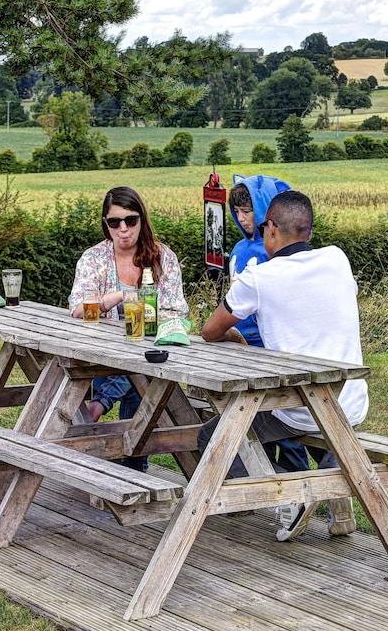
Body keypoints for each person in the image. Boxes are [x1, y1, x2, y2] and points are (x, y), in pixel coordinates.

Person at [200, 190, 366, 541]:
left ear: (271, 228)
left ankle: (290, 495)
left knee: (210, 436)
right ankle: (335, 499)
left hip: (299, 409)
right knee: (333, 431)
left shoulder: (259, 278)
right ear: (308, 230)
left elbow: (210, 330)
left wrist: (231, 335)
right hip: (351, 402)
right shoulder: (338, 259)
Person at [68, 186, 188, 471]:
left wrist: (148, 312)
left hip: (151, 349)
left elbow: (176, 311)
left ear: (142, 220)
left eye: (131, 220)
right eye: (114, 222)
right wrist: (119, 297)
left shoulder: (162, 257)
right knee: (137, 375)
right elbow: (78, 311)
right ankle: (133, 464)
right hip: (101, 355)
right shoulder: (94, 258)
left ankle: (100, 407)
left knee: (141, 368)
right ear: (106, 225)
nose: (123, 229)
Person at [228, 175, 313, 474]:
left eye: (247, 211)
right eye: (236, 212)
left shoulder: (280, 254)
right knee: (253, 427)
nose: (242, 218)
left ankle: (298, 487)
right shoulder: (239, 250)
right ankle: (268, 491)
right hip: (242, 348)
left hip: (274, 348)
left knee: (287, 430)